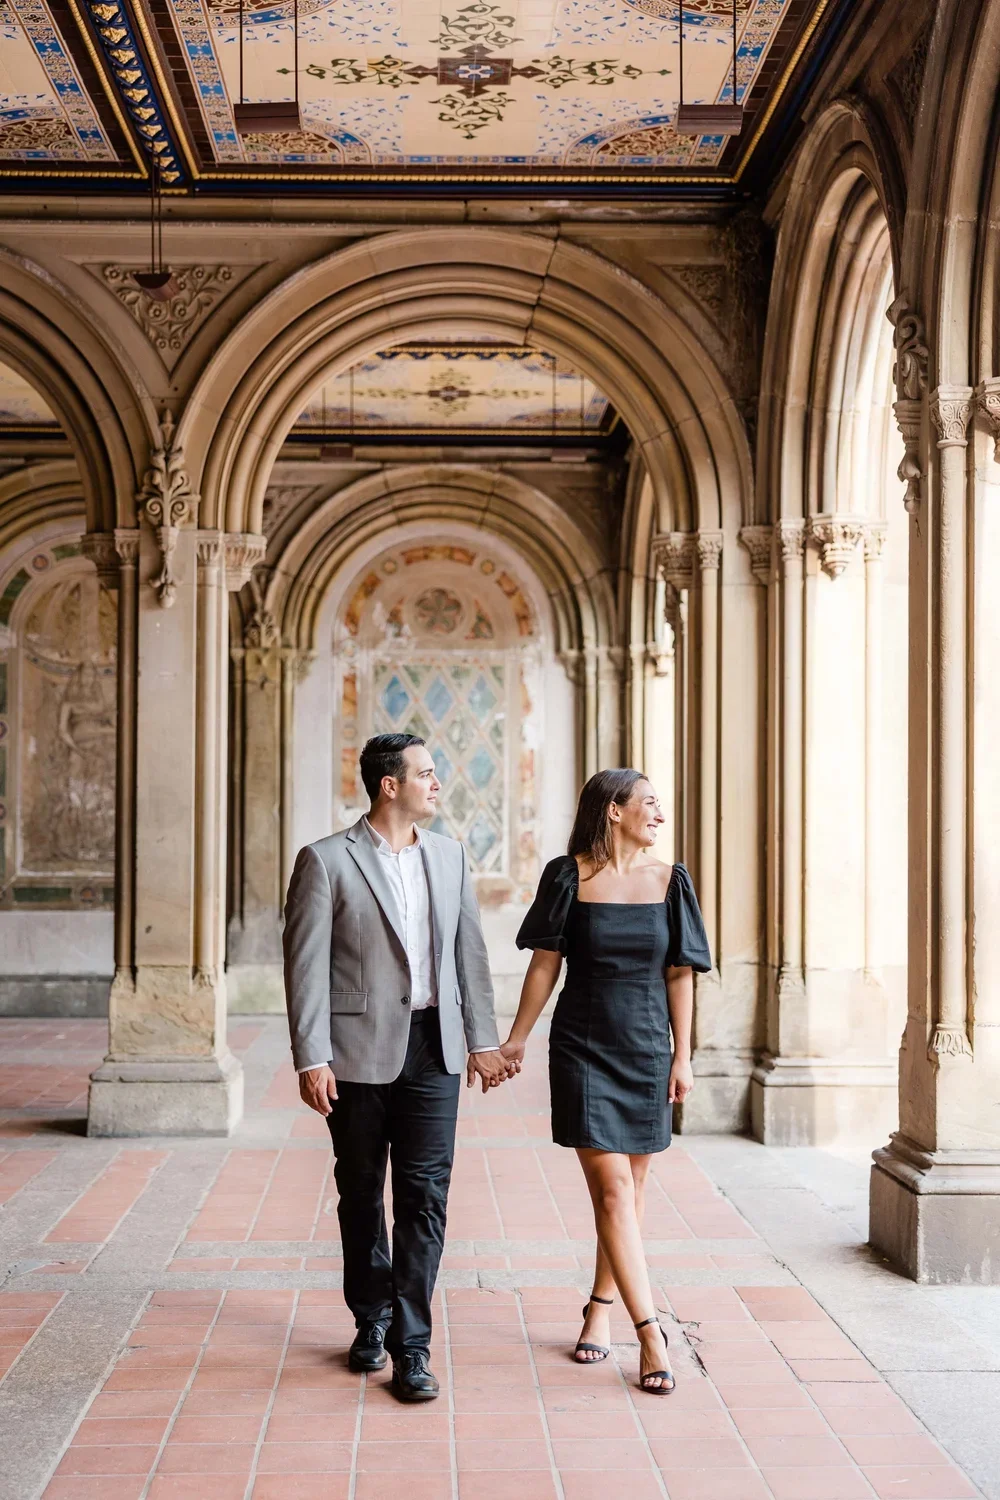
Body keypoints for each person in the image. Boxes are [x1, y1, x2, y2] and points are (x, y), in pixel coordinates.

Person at [283, 732, 515, 1401]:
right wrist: (312, 1056)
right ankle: (371, 1316)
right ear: (391, 785)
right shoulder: (326, 860)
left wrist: (482, 1040)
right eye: (427, 773)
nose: (437, 784)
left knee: (425, 1197)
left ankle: (413, 1345)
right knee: (360, 1193)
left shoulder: (449, 856)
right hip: (356, 1053)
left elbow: (469, 954)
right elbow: (304, 966)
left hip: (434, 1048)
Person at [500, 768, 711, 1394]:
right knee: (615, 1192)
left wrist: (682, 1056)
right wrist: (517, 1038)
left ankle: (599, 1306)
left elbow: (680, 973)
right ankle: (650, 1333)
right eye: (650, 803)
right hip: (583, 1048)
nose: (660, 815)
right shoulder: (567, 877)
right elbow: (545, 965)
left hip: (646, 1049)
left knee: (628, 1193)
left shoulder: (671, 881)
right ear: (613, 810)